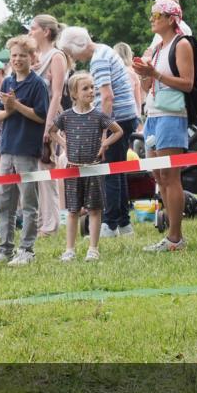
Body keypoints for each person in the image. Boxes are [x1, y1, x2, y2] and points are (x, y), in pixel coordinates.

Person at [57, 25, 140, 238]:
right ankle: (123, 223)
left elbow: (107, 97)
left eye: (71, 52)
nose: (73, 57)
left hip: (117, 119)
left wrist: (103, 132)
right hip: (126, 117)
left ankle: (110, 224)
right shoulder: (105, 50)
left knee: (109, 172)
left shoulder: (99, 60)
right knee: (117, 171)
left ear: (78, 46)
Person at [133, 0, 195, 252]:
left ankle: (175, 237)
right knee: (159, 176)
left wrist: (155, 74)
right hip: (154, 115)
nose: (152, 19)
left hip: (172, 115)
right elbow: (150, 84)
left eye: (157, 15)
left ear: (171, 19)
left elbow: (188, 83)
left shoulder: (182, 44)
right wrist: (143, 74)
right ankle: (172, 234)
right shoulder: (158, 47)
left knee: (170, 176)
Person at [0, 35, 49, 267]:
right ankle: (5, 249)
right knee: (4, 202)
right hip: (7, 149)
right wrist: (10, 109)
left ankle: (27, 250)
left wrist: (16, 105)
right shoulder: (7, 82)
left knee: (29, 203)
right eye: (14, 56)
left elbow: (41, 116)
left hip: (27, 150)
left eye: (22, 55)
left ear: (31, 57)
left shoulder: (38, 84)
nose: (18, 59)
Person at [51, 72, 124, 262]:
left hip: (93, 169)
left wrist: (104, 144)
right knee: (73, 210)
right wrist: (64, 144)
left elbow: (118, 131)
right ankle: (69, 249)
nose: (91, 91)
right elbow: (52, 131)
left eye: (92, 87)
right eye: (85, 88)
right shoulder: (66, 116)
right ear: (74, 93)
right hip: (73, 169)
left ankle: (93, 248)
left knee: (94, 210)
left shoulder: (98, 115)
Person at [30, 14, 68, 236]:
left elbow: (57, 94)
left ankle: (51, 224)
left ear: (45, 31)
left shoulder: (56, 56)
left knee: (46, 170)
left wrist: (49, 126)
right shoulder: (36, 57)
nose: (30, 32)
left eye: (33, 28)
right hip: (32, 120)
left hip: (49, 120)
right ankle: (40, 221)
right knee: (35, 172)